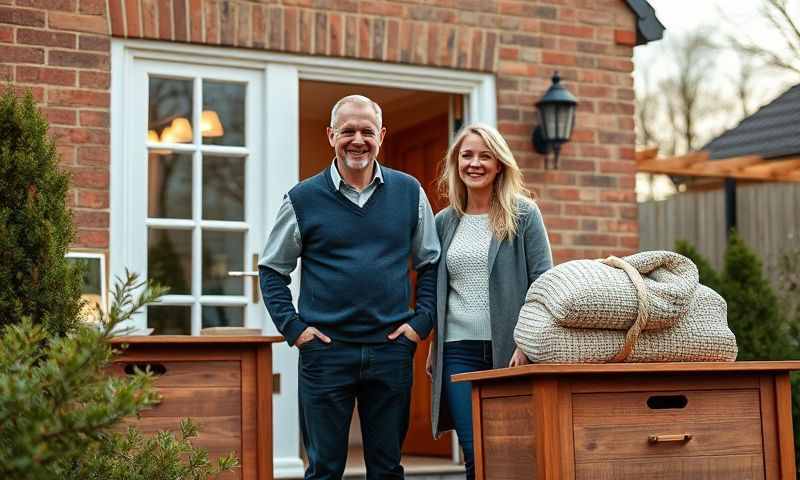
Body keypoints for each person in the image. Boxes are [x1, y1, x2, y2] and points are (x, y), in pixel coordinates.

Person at [258, 94, 440, 480]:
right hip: (325, 353)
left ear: (382, 136)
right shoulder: (302, 199)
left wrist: (419, 325)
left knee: (387, 468)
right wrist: (295, 330)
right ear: (330, 136)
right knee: (324, 469)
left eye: (367, 131)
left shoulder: (409, 193)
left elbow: (431, 263)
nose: (358, 140)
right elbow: (272, 270)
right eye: (348, 131)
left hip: (391, 350)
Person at [426, 123, 553, 480]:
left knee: (510, 449)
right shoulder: (443, 223)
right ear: (456, 163)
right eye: (467, 155)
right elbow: (438, 290)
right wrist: (436, 345)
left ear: (499, 164)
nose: (475, 164)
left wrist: (527, 342)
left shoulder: (524, 215)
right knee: (475, 451)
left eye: (485, 156)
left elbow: (544, 284)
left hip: (511, 352)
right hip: (458, 352)